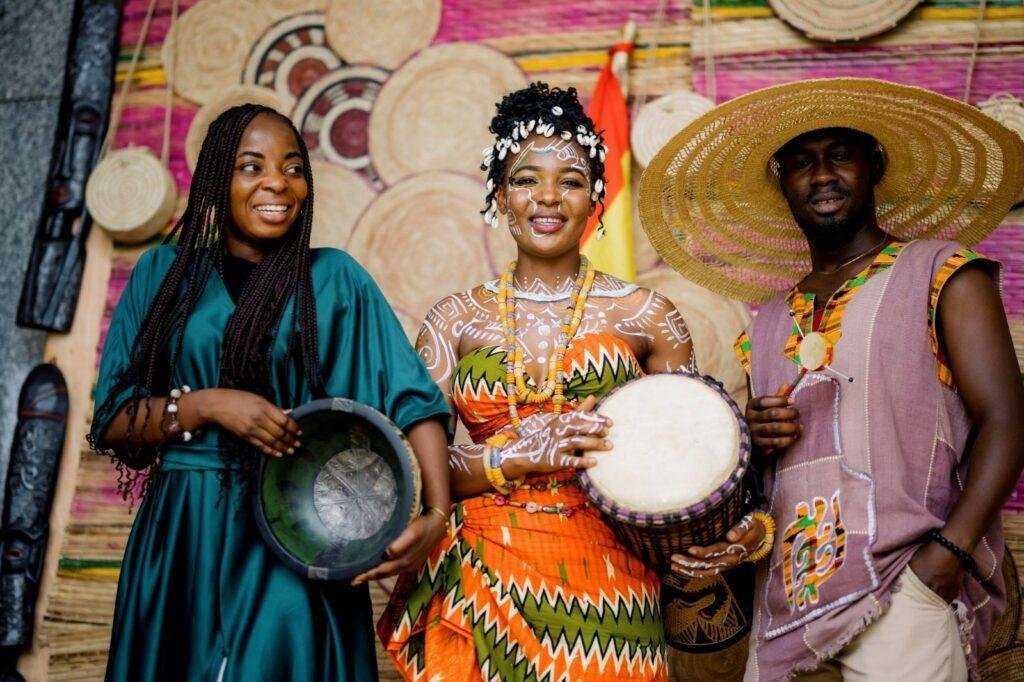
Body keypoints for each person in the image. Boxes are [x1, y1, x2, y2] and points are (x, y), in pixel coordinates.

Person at [376, 82, 770, 681]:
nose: (548, 197)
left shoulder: (647, 315)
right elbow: (409, 470)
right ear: (500, 197)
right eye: (526, 179)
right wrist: (510, 456)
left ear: (596, 198)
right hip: (481, 581)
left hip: (610, 583)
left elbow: (694, 463)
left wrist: (731, 535)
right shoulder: (453, 320)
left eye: (571, 180)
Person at [639, 78, 1024, 680]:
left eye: (839, 154)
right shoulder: (764, 325)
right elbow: (763, 489)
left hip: (903, 591)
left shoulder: (943, 273)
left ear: (874, 165)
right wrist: (754, 440)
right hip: (786, 613)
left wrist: (947, 557)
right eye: (801, 162)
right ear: (782, 183)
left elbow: (1008, 418)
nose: (821, 175)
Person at [89, 104, 452, 681]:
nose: (276, 183)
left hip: (301, 529)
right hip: (184, 532)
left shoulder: (335, 279)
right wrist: (207, 404)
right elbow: (112, 416)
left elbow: (414, 401)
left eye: (291, 167)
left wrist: (436, 512)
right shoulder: (163, 275)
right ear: (214, 181)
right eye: (251, 167)